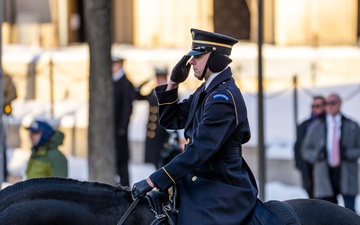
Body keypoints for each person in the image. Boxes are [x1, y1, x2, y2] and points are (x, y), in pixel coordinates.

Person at [131, 28, 277, 225]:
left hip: (223, 187)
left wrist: (154, 180)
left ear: (216, 59)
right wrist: (173, 83)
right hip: (202, 181)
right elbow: (171, 120)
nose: (191, 61)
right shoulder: (206, 91)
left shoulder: (222, 98)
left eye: (198, 55)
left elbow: (199, 150)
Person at [301, 93, 360, 212]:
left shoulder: (352, 125)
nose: (330, 106)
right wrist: (318, 154)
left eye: (333, 103)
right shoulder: (315, 127)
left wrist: (348, 153)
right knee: (328, 212)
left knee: (350, 212)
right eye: (327, 103)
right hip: (325, 175)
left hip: (346, 173)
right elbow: (305, 150)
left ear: (340, 104)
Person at [134, 67, 181, 169]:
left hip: (163, 132)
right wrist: (146, 81)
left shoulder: (171, 92)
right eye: (158, 78)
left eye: (161, 77)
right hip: (153, 133)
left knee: (164, 162)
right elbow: (138, 96)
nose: (159, 80)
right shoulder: (153, 91)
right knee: (155, 163)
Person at [293, 95, 326, 198]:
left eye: (318, 105)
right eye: (313, 105)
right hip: (307, 169)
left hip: (324, 169)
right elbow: (298, 146)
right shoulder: (303, 125)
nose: (315, 108)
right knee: (311, 199)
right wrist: (300, 164)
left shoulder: (329, 124)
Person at [112, 56, 135, 187]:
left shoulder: (125, 84)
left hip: (120, 129)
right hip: (112, 129)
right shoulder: (113, 81)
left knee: (121, 161)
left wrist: (123, 127)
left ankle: (125, 186)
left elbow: (127, 107)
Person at [2, 73, 17, 181]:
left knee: (2, 145)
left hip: (2, 116)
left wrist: (3, 102)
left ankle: (3, 172)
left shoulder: (5, 78)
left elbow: (13, 94)